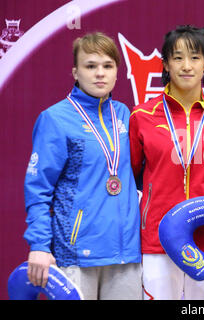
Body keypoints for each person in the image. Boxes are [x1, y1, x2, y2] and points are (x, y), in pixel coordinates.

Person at [129, 25, 204, 300]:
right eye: (178, 57)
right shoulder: (142, 116)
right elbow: (130, 178)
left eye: (195, 57)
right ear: (165, 64)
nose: (187, 66)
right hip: (157, 242)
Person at [24, 32, 142, 300]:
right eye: (90, 66)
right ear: (76, 72)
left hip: (125, 256)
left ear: (117, 73)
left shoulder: (125, 114)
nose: (99, 73)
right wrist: (40, 245)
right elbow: (38, 190)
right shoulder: (55, 119)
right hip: (76, 253)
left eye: (107, 66)